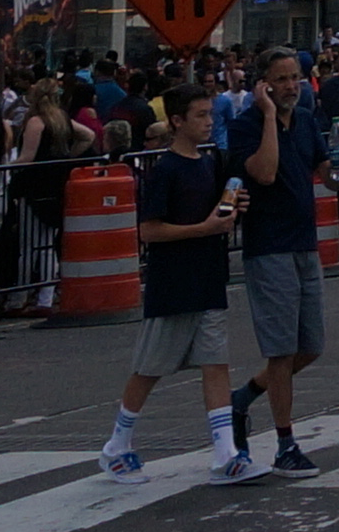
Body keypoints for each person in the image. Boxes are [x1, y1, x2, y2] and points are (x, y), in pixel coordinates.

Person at [100, 86, 266, 486]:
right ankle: (117, 444)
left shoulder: (209, 164)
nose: (209, 121)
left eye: (210, 114)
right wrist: (204, 228)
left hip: (209, 276)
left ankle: (226, 453)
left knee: (216, 363)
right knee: (151, 366)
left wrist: (230, 213)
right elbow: (150, 231)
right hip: (173, 281)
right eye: (200, 115)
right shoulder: (166, 170)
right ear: (177, 121)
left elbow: (216, 214)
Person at [219, 47, 332, 474]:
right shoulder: (245, 125)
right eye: (281, 79)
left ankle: (242, 398)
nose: (290, 87)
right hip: (269, 246)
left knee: (310, 346)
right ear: (263, 83)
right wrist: (267, 115)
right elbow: (263, 173)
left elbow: (326, 171)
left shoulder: (306, 119)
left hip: (305, 243)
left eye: (295, 78)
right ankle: (285, 443)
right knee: (282, 350)